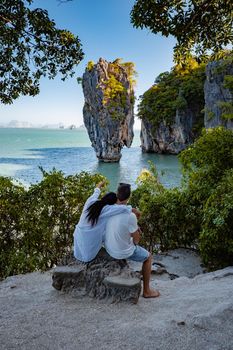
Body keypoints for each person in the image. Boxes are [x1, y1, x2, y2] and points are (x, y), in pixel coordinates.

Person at [104, 183, 160, 298]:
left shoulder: (109, 209)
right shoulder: (130, 216)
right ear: (129, 197)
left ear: (117, 195)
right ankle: (147, 291)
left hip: (108, 248)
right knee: (148, 257)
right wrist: (136, 233)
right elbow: (136, 241)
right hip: (120, 252)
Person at [73, 181, 132, 262]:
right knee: (110, 226)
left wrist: (99, 186)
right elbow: (126, 208)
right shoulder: (108, 209)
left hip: (77, 249)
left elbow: (96, 192)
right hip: (88, 254)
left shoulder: (90, 201)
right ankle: (114, 250)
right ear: (112, 204)